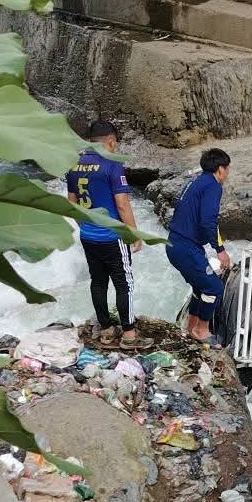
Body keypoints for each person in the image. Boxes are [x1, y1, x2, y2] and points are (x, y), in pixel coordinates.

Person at [66, 119, 153, 351]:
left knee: (98, 281)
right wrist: (133, 234)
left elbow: (71, 203)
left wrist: (84, 225)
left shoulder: (74, 163)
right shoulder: (112, 164)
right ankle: (129, 335)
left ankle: (105, 330)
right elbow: (122, 204)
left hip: (88, 236)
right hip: (112, 237)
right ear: (111, 142)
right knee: (124, 284)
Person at [166, 147, 231, 347]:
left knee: (199, 286)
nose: (227, 174)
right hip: (186, 247)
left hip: (176, 244)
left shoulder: (194, 181)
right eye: (227, 169)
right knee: (214, 288)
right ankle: (202, 331)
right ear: (220, 169)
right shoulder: (212, 186)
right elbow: (208, 221)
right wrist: (220, 251)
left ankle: (191, 327)